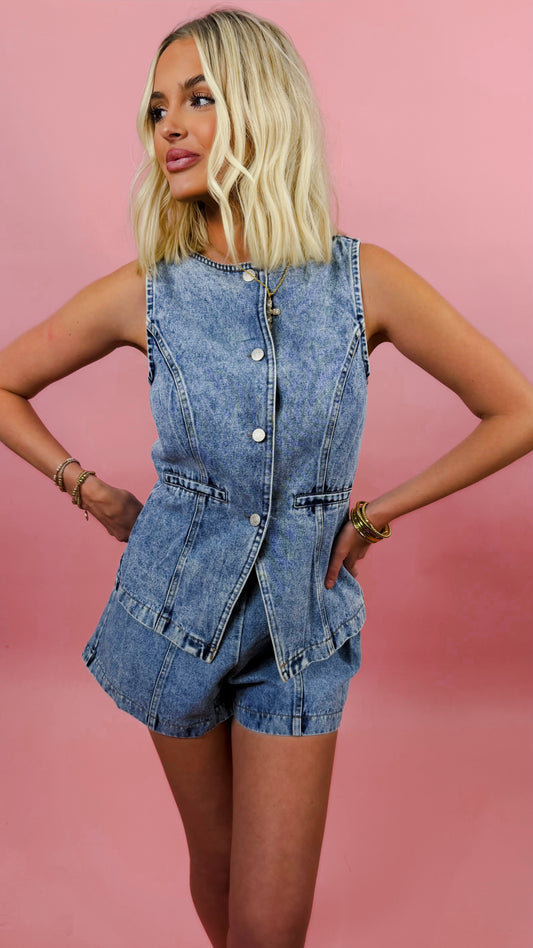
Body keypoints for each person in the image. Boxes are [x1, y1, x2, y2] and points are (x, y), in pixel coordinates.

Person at [0, 7, 532, 948]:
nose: (168, 125)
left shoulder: (365, 282)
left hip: (304, 622)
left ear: (262, 108)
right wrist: (87, 487)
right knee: (218, 873)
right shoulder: (149, 290)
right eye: (157, 107)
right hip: (171, 608)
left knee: (273, 922)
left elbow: (515, 410)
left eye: (197, 99)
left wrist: (373, 517)